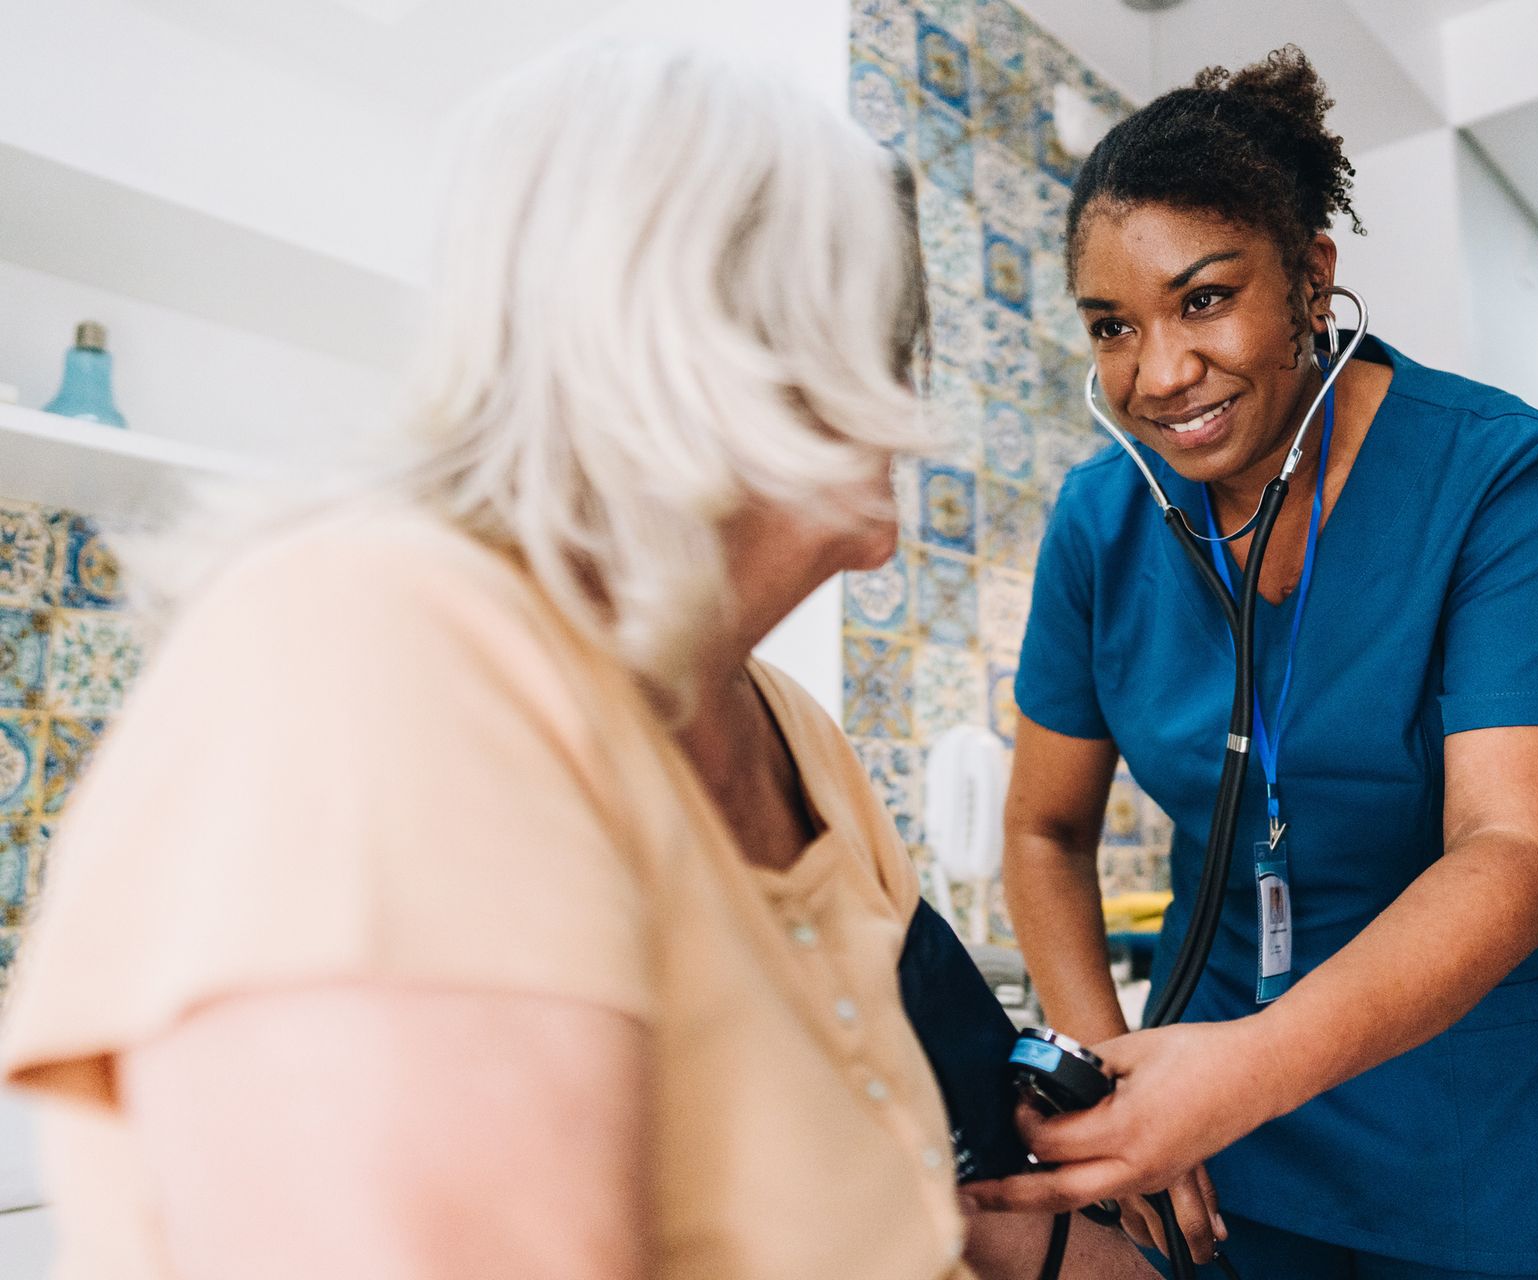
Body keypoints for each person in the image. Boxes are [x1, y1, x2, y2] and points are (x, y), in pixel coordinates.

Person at [0, 42, 1154, 1280]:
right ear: (724, 335)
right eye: (877, 322)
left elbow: (914, 1198)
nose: (905, 381)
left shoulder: (785, 726)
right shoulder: (381, 650)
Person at [964, 47, 1538, 1280]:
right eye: (1113, 326)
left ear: (1310, 279)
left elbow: (1515, 850)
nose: (1160, 371)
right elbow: (1044, 832)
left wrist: (1234, 1076)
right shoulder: (1099, 519)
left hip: (1475, 1128)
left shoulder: (1502, 476)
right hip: (1210, 1150)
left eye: (1204, 298)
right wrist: (1110, 1087)